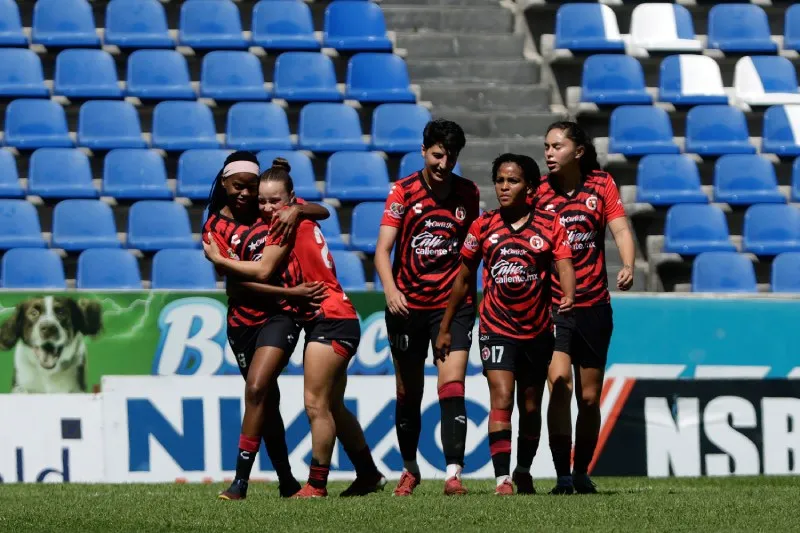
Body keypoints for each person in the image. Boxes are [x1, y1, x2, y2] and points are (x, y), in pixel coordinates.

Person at [204, 159, 385, 498]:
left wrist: (220, 261)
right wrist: (294, 202)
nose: (267, 207)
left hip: (328, 317)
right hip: (337, 316)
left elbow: (262, 271)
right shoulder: (295, 214)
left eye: (275, 201)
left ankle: (316, 485)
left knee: (315, 404)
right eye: (262, 201)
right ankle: (368, 474)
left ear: (290, 199)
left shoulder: (284, 225)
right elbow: (321, 210)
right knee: (333, 405)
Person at [434, 154, 575, 495]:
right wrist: (446, 325)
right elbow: (463, 278)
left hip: (537, 330)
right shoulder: (482, 226)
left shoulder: (550, 224)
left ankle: (523, 469)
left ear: (530, 187)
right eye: (499, 180)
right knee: (501, 396)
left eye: (512, 181)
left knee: (531, 404)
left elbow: (564, 263)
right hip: (495, 327)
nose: (504, 187)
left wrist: (569, 294)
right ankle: (503, 479)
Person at [204, 152, 332, 500]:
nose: (245, 194)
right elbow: (235, 286)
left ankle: (240, 482)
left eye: (251, 187)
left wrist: (297, 210)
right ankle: (286, 480)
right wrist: (290, 291)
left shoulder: (270, 212)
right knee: (266, 401)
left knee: (257, 387)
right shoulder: (214, 227)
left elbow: (322, 211)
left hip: (280, 315)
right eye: (238, 187)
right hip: (241, 321)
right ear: (224, 184)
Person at [374, 119, 480, 496]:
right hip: (407, 307)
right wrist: (390, 291)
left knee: (451, 385)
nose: (443, 164)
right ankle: (409, 468)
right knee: (409, 392)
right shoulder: (403, 192)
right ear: (423, 151)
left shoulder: (468, 193)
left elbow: (470, 256)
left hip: (453, 306)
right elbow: (382, 250)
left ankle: (453, 475)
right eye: (437, 155)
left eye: (450, 157)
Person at [534, 121, 635, 495]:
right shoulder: (538, 191)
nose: (549, 153)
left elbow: (620, 229)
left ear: (577, 151)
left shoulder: (601, 184)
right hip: (554, 306)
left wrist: (628, 264)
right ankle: (562, 475)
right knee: (559, 384)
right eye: (546, 146)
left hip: (594, 305)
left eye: (556, 146)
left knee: (589, 398)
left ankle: (580, 472)